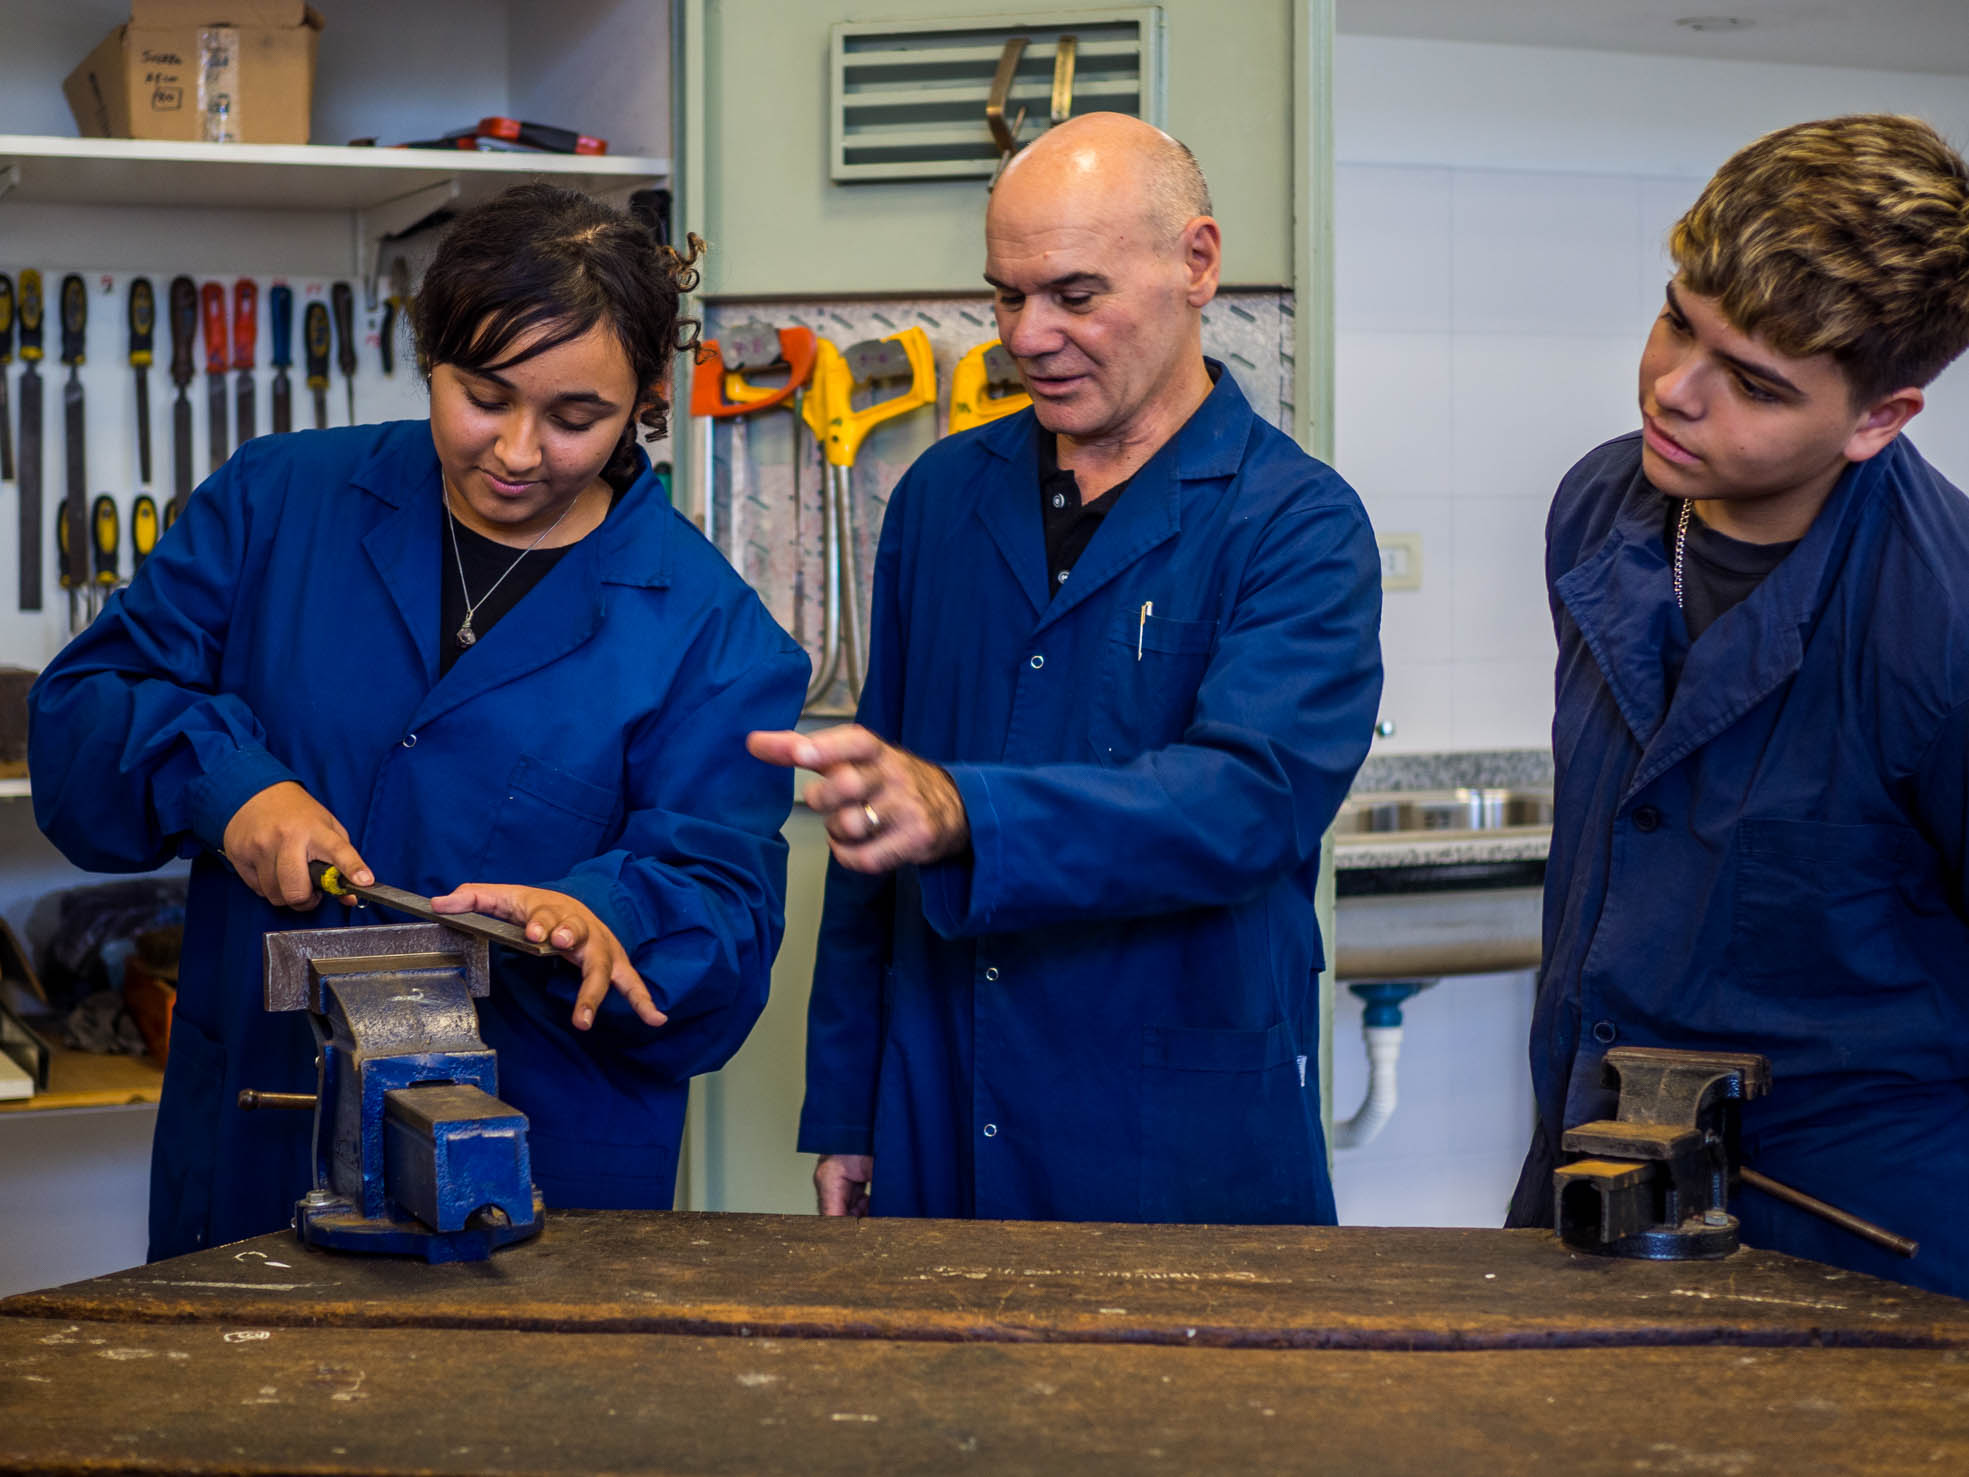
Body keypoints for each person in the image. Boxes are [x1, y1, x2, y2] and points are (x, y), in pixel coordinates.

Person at [29, 184, 809, 1258]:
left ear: (649, 396)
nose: (520, 452)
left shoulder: (717, 638)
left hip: (535, 1193)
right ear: (428, 353)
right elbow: (81, 714)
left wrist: (605, 912)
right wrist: (230, 784)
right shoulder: (277, 502)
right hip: (258, 1149)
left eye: (576, 417)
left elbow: (723, 915)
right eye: (483, 396)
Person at [748, 113, 1384, 1223]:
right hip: (941, 1088)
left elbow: (1248, 802)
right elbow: (869, 831)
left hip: (1172, 1116)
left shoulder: (1298, 524)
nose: (1026, 335)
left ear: (1197, 262)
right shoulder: (940, 500)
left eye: (1074, 295)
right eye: (1005, 294)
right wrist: (846, 1104)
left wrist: (964, 812)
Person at [1505, 115, 1969, 1297]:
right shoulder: (1599, 504)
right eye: (1676, 321)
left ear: (1879, 417)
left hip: (1857, 1244)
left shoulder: (1944, 621)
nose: (1674, 389)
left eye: (1755, 383)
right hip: (1592, 1181)